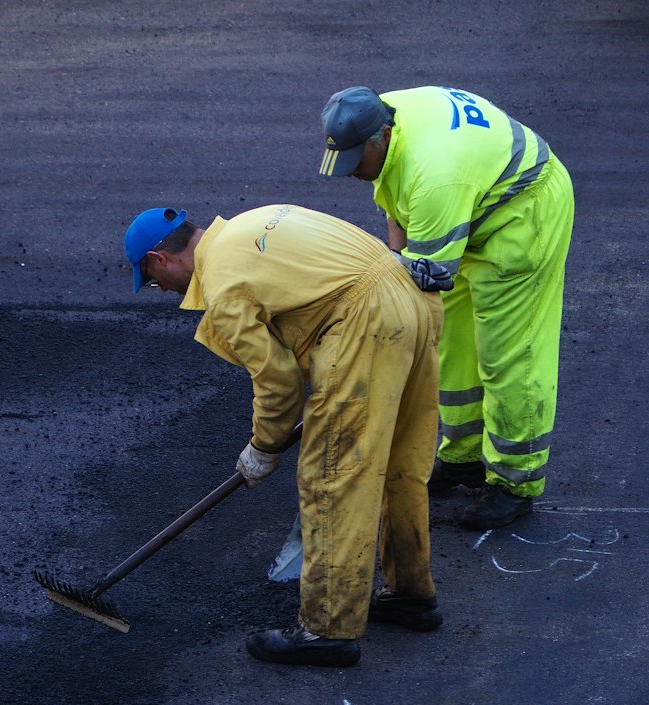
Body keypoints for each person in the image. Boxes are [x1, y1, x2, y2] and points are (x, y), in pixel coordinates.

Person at [123, 203, 444, 668]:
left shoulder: (222, 282)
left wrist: (263, 447)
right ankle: (411, 595)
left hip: (363, 324)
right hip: (412, 304)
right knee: (400, 464)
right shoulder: (254, 221)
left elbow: (279, 382)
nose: (165, 291)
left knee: (333, 475)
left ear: (158, 259)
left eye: (154, 281)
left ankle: (327, 629)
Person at [317, 85, 574, 530]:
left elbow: (428, 281)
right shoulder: (379, 116)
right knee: (452, 344)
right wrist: (390, 272)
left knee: (508, 353)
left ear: (383, 136)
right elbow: (398, 208)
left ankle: (515, 482)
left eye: (357, 160)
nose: (353, 171)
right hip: (470, 206)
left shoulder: (434, 173)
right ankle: (464, 458)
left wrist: (386, 332)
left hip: (522, 213)